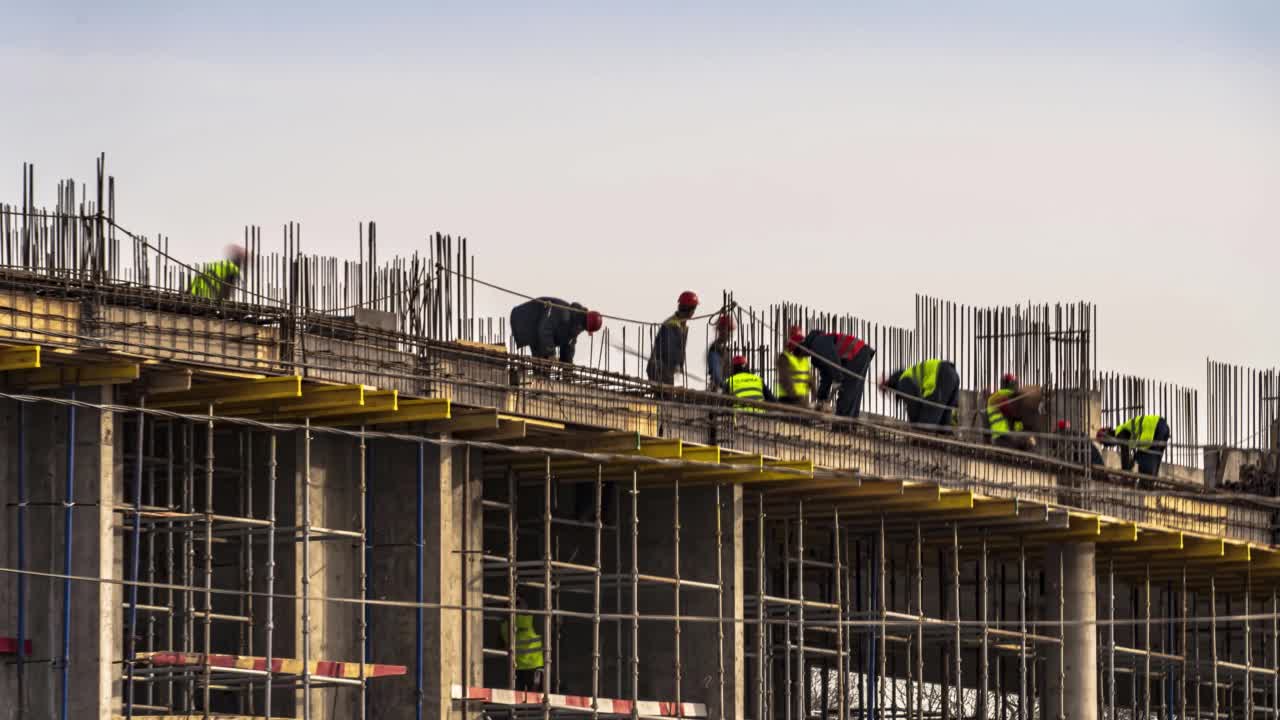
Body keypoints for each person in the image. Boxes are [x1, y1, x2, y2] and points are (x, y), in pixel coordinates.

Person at [801, 329, 875, 417]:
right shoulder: (817, 351)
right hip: (862, 353)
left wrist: (838, 378)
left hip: (857, 354)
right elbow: (826, 376)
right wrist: (822, 397)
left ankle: (842, 425)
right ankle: (850, 424)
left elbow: (833, 359)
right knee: (854, 393)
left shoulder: (818, 342)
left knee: (847, 392)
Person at [509, 297, 603, 363]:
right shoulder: (564, 314)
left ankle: (541, 381)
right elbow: (544, 330)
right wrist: (551, 353)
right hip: (526, 319)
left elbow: (569, 344)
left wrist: (567, 366)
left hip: (538, 326)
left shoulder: (576, 322)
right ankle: (540, 382)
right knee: (543, 360)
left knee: (544, 361)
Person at [881, 358, 960, 430]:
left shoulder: (904, 380)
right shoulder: (911, 374)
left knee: (925, 423)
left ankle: (925, 442)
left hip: (941, 374)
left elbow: (914, 407)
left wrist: (915, 429)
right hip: (954, 375)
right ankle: (944, 441)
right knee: (944, 420)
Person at [647, 291, 698, 385]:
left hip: (664, 369)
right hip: (660, 368)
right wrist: (678, 364)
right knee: (666, 397)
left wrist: (679, 364)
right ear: (690, 309)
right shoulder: (672, 325)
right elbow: (671, 351)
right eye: (694, 308)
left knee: (665, 397)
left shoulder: (680, 325)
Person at [1097, 414, 1170, 479]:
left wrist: (1124, 474)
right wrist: (1131, 464)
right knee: (1155, 457)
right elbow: (1133, 454)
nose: (1110, 446)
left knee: (1145, 460)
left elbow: (1125, 454)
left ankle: (1147, 483)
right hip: (1163, 427)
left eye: (1106, 443)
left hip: (1154, 428)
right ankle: (1151, 481)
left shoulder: (1121, 433)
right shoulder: (1128, 430)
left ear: (1109, 437)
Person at [499, 597, 545, 691]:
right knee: (535, 697)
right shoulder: (530, 620)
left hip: (519, 668)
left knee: (521, 697)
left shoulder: (504, 625)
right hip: (531, 666)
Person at [987, 373, 1033, 450]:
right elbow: (1012, 413)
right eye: (1013, 384)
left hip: (998, 436)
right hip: (1002, 436)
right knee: (1025, 444)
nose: (1015, 387)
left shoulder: (993, 397)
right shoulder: (1000, 398)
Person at [775, 326, 812, 407]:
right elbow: (785, 379)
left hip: (802, 399)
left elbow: (809, 378)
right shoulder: (784, 357)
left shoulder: (804, 359)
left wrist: (815, 393)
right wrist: (794, 395)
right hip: (788, 399)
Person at [706, 313, 736, 390]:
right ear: (721, 331)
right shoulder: (715, 349)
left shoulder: (725, 349)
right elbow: (716, 374)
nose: (730, 334)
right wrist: (726, 386)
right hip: (718, 390)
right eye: (729, 331)